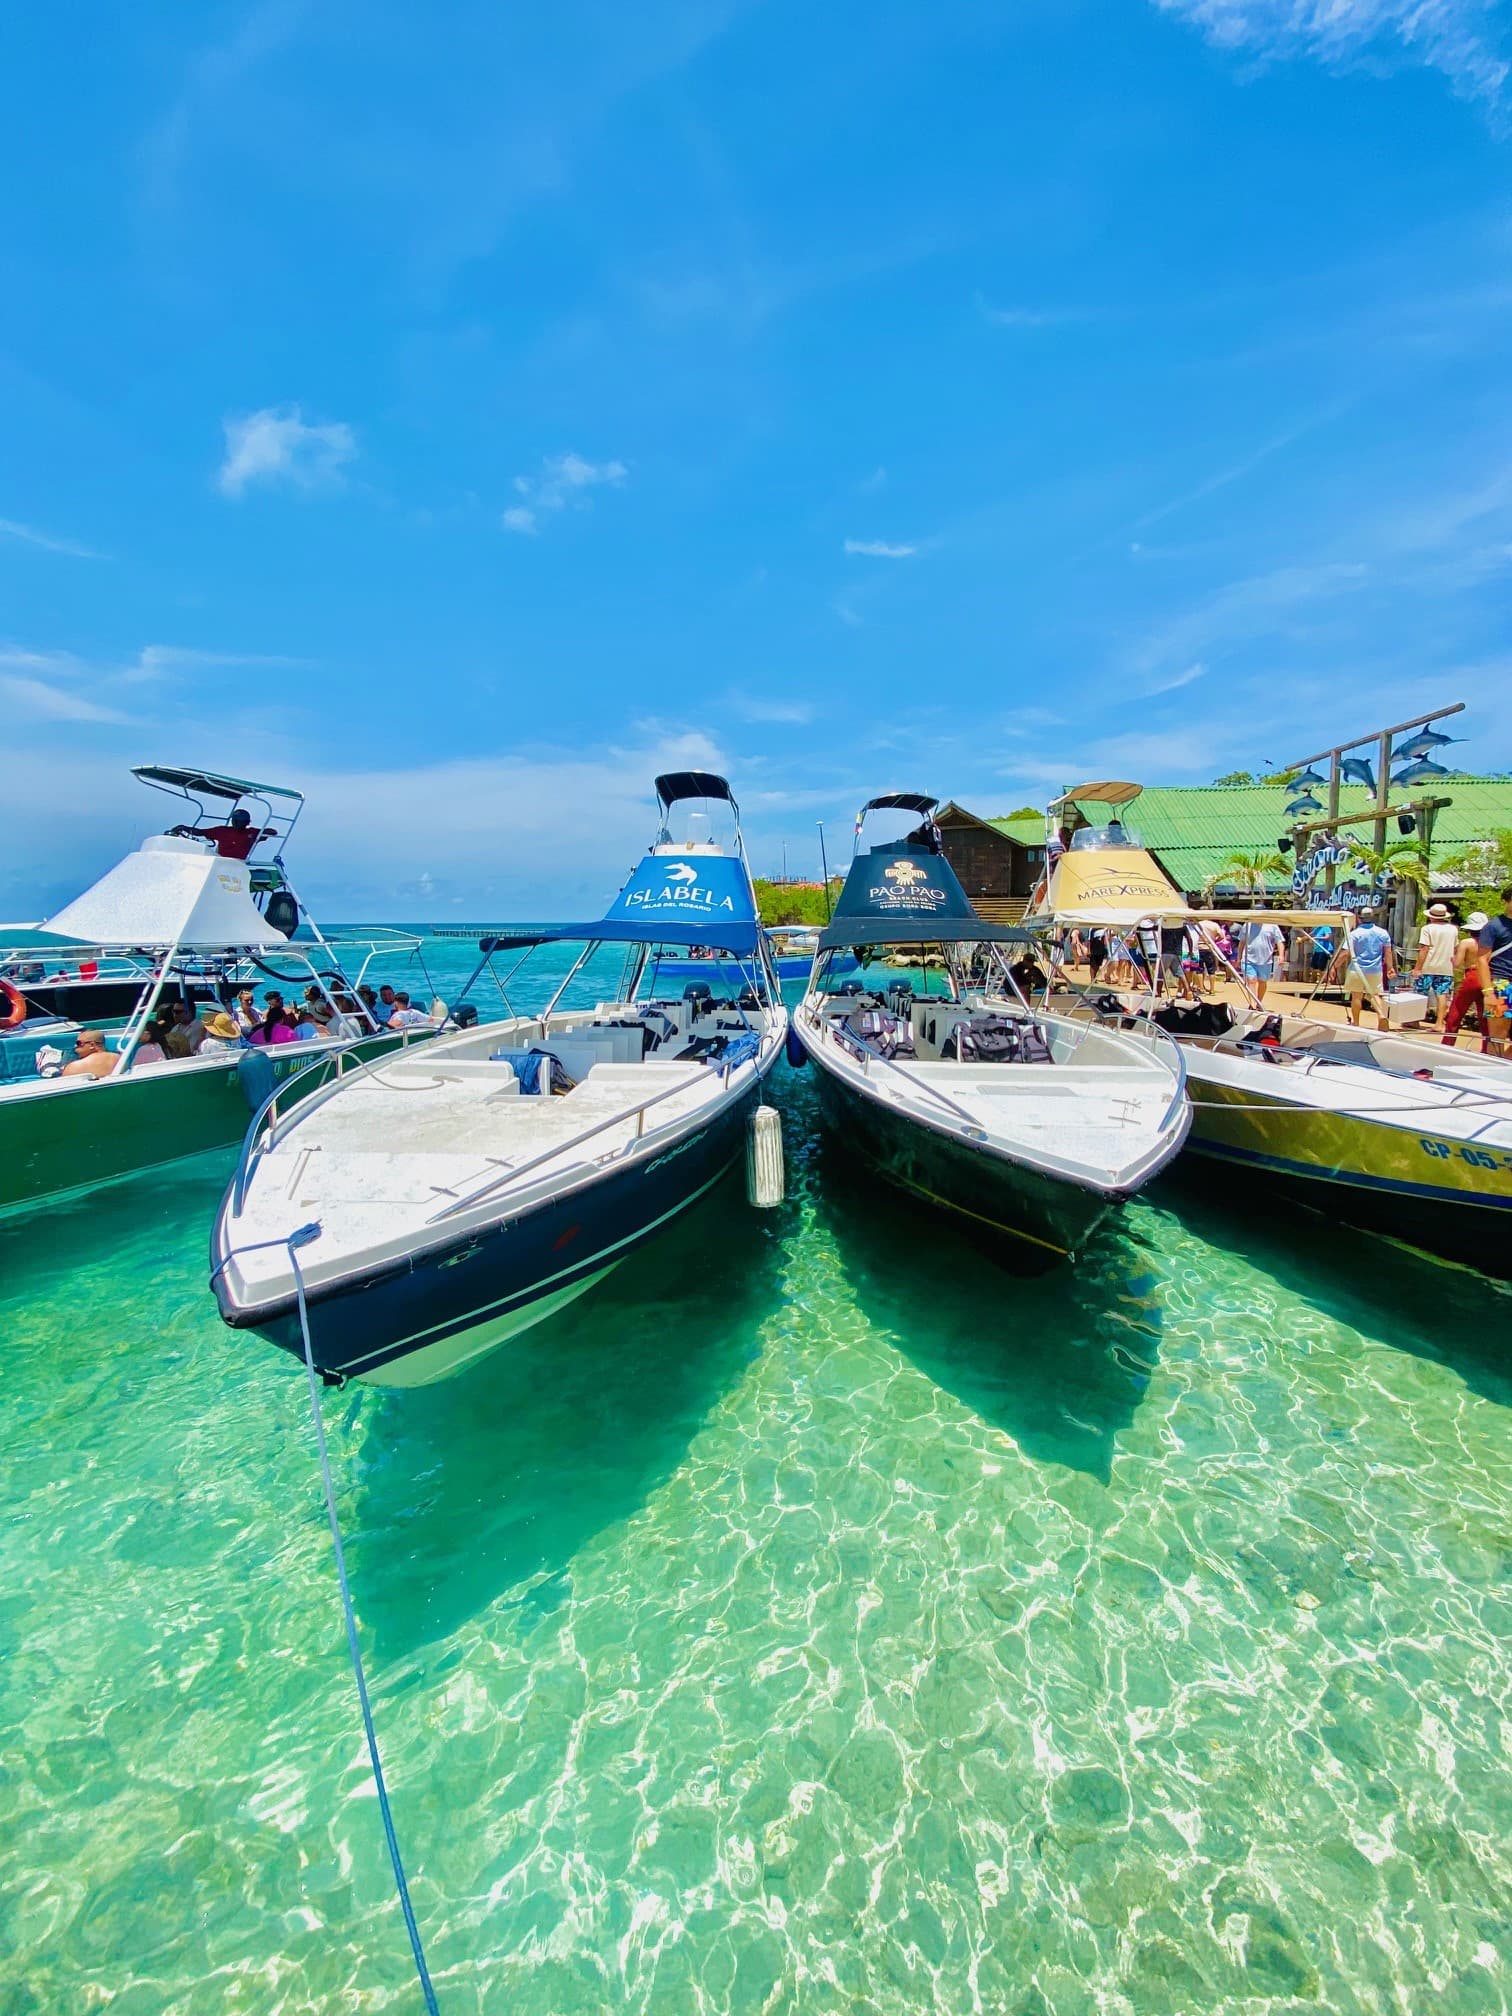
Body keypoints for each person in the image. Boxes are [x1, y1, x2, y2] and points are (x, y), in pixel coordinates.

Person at [1333, 907, 1394, 1030]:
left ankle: (1356, 1023)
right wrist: (1390, 968)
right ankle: (1381, 1015)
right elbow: (1388, 952)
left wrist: (1334, 967)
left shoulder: (1354, 934)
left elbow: (1346, 953)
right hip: (1375, 970)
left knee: (1356, 996)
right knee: (1375, 995)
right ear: (1373, 918)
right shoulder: (1383, 933)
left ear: (1359, 918)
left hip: (1356, 969)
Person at [1441, 911, 1488, 1049]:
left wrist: (1453, 959)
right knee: (1485, 1015)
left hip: (1471, 976)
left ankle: (1448, 1043)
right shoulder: (1490, 943)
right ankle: (1487, 1047)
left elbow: (1457, 963)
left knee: (1456, 1011)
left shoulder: (1466, 942)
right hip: (1486, 976)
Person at [1476, 885, 1512, 1057]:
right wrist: (1488, 992)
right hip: (1501, 983)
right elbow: (1482, 959)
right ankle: (1496, 1068)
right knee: (1498, 1036)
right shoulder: (1494, 926)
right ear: (1506, 900)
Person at [1411, 902, 1459, 1028]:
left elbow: (1424, 949)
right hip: (1446, 966)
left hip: (1428, 966)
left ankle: (1415, 1020)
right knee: (1442, 994)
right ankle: (1439, 1023)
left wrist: (1417, 968)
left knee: (1420, 993)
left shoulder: (1427, 929)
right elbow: (1455, 948)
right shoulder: (1453, 929)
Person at [193, 807, 275, 860]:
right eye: (234, 820)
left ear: (246, 822)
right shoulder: (222, 830)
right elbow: (201, 832)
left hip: (238, 864)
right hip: (220, 861)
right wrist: (186, 829)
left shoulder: (251, 832)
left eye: (239, 821)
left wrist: (255, 836)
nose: (236, 823)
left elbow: (272, 832)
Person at [1238, 914, 1286, 1004]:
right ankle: (1252, 1004)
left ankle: (1258, 1002)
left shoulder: (1272, 925)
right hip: (1248, 959)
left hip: (1265, 960)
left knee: (1262, 982)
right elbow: (1242, 942)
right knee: (1251, 980)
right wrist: (1239, 957)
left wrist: (1281, 956)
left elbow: (1279, 942)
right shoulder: (1247, 925)